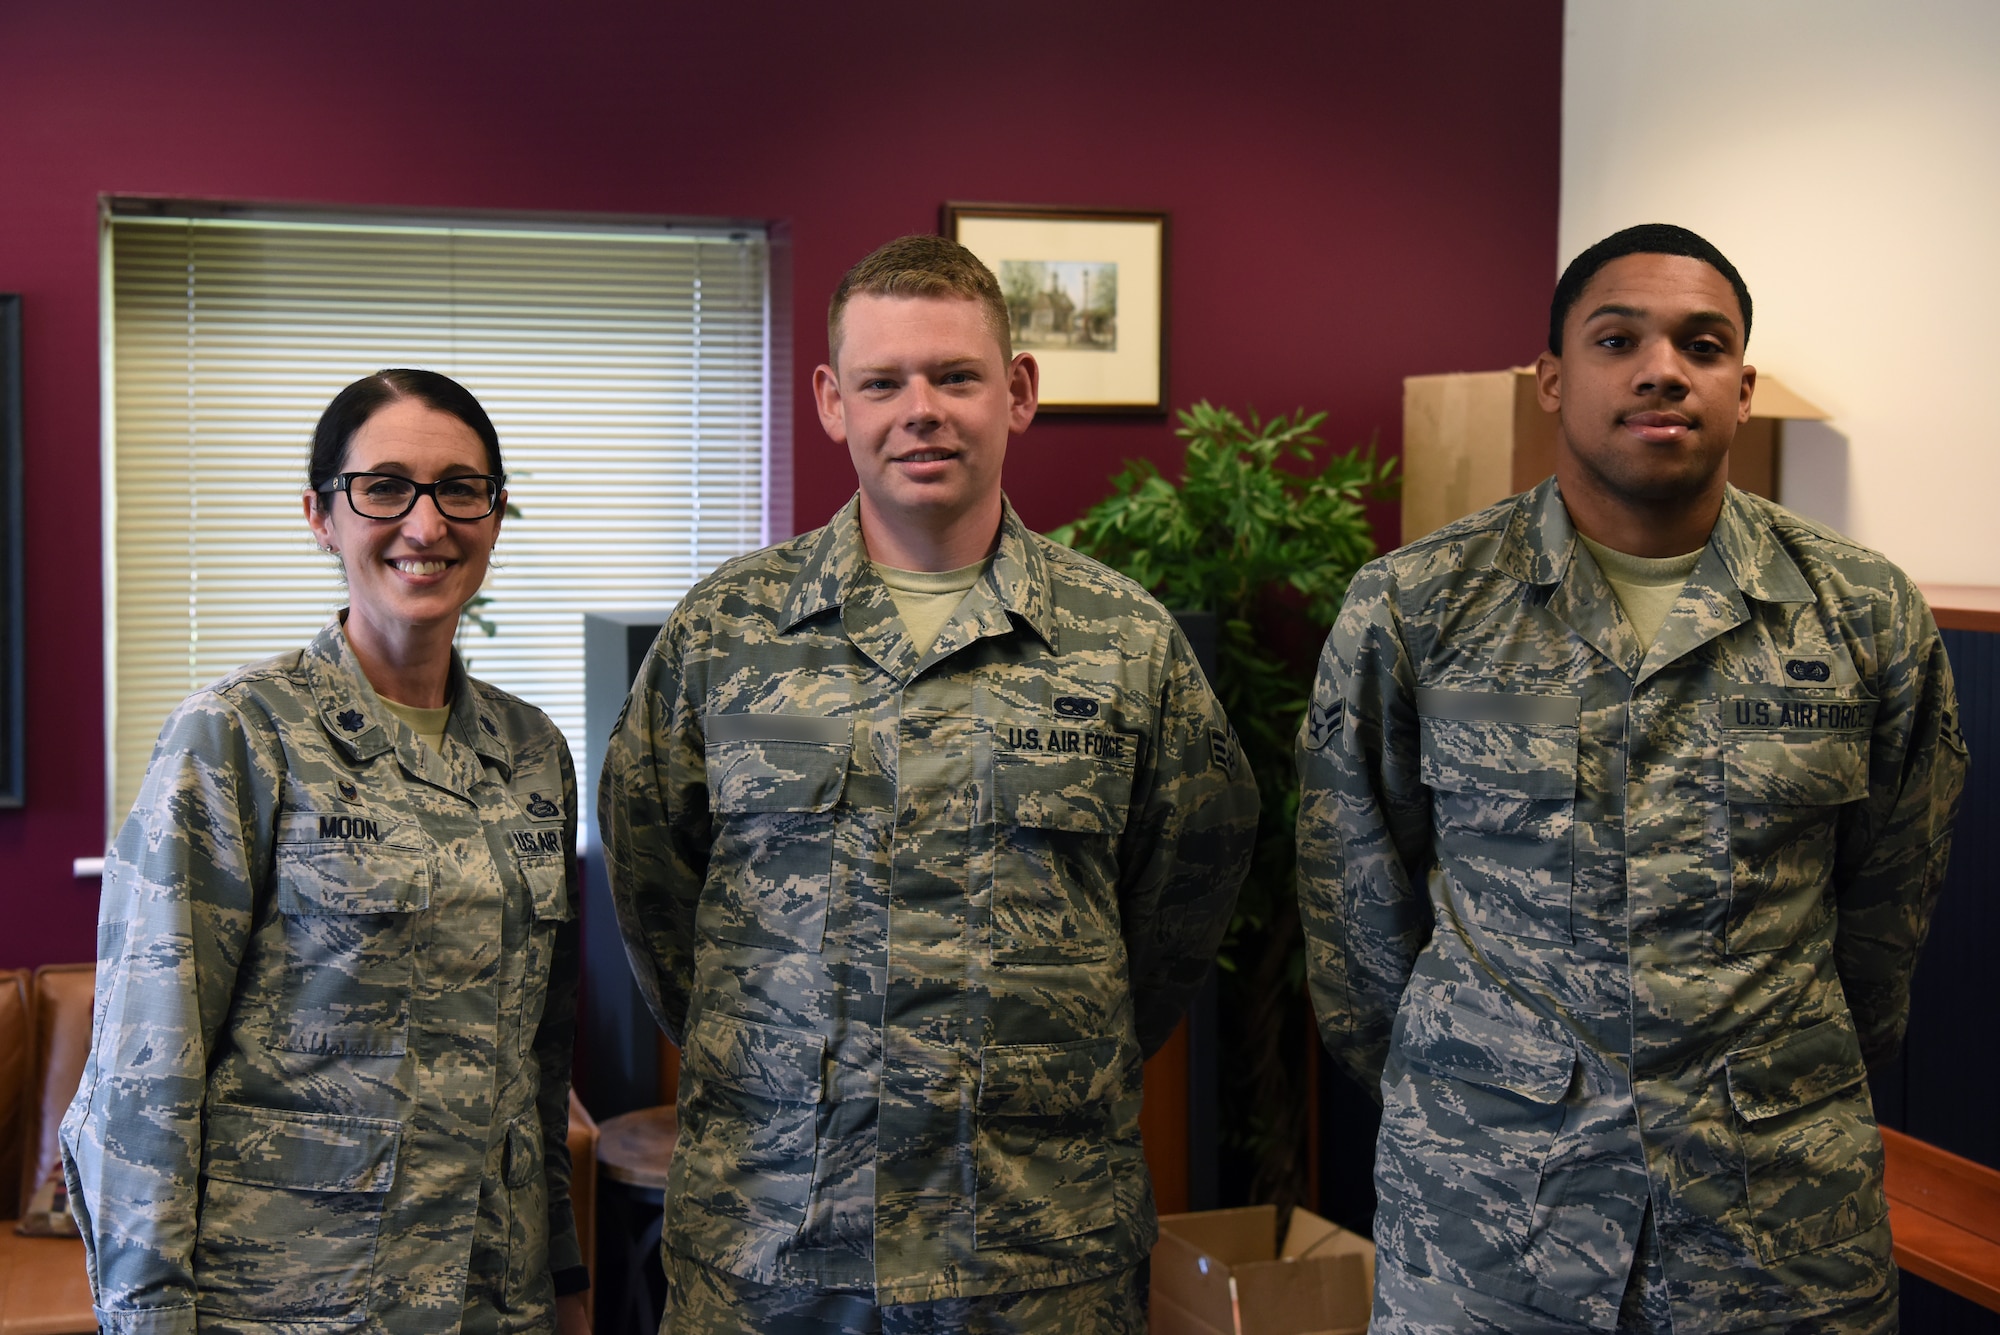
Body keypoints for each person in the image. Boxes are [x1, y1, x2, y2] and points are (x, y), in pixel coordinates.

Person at [1297, 224, 1967, 1334]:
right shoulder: (1418, 604)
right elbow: (1352, 909)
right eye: (1618, 339)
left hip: (1773, 1225)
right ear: (1553, 381)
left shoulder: (1860, 613)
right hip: (1488, 1221)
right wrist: (1480, 1090)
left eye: (1701, 346)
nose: (1661, 367)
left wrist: (1771, 1074)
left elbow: (1886, 913)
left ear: (1740, 389)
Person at [599, 234, 1259, 1332]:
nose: (921, 409)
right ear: (830, 400)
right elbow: (657, 898)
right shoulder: (723, 634)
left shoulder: (1123, 643)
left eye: (955, 376)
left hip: (1031, 1252)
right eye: (882, 381)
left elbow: (1177, 908)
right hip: (774, 1248)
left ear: (1018, 393)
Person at [61, 370, 590, 1335]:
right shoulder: (236, 736)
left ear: (496, 514)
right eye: (384, 487)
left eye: (460, 489)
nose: (425, 525)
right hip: (291, 1305)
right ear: (321, 515)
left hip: (488, 1302)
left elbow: (538, 1067)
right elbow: (145, 1075)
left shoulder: (532, 754)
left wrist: (563, 1275)